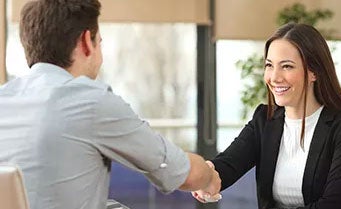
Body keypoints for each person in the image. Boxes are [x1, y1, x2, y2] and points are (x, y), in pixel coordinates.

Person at [0, 0, 220, 209]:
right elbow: (183, 173)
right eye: (100, 43)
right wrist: (209, 176)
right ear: (87, 42)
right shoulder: (90, 101)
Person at [192, 23, 341, 209]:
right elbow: (228, 164)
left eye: (286, 66)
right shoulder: (265, 119)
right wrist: (207, 177)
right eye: (269, 65)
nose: (274, 77)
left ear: (314, 72)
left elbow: (337, 204)